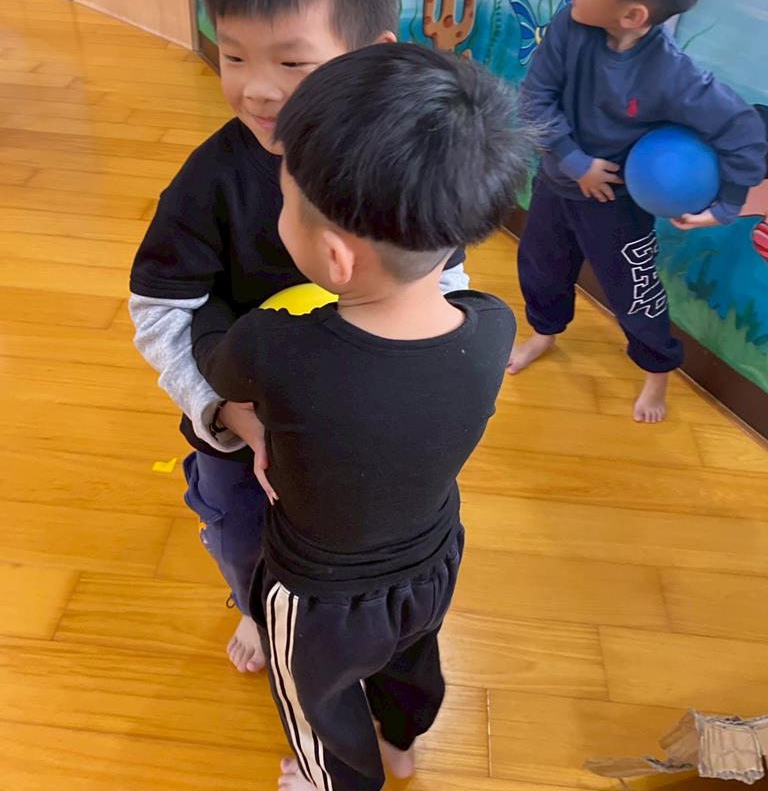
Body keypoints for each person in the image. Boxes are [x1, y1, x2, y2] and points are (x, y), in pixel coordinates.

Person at [128, 0, 469, 674]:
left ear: (371, 54)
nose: (256, 87)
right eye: (233, 54)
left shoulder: (404, 161)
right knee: (241, 534)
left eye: (291, 61)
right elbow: (160, 306)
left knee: (358, 550)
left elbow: (444, 283)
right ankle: (256, 606)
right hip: (240, 418)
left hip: (357, 427)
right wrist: (221, 411)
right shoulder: (211, 179)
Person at [190, 42, 535, 791]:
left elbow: (217, 362)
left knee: (313, 699)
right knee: (413, 657)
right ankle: (402, 743)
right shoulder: (492, 325)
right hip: (433, 560)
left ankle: (332, 779)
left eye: (285, 204)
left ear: (337, 259)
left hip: (317, 593)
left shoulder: (275, 346)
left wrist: (215, 306)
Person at [508, 0, 767, 423]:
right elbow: (534, 99)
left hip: (617, 207)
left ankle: (657, 371)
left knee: (635, 293)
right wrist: (575, 161)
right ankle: (545, 332)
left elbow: (743, 131)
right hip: (557, 183)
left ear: (633, 15)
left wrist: (726, 205)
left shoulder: (673, 75)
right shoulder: (568, 27)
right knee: (540, 266)